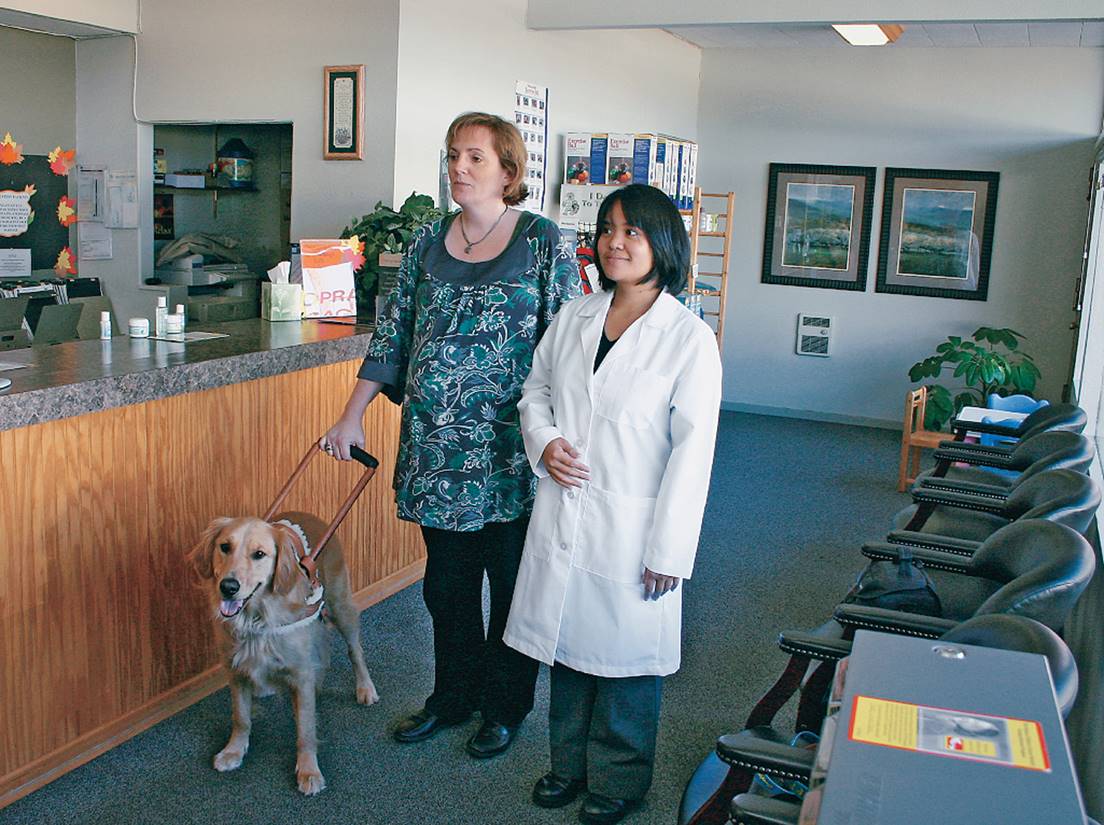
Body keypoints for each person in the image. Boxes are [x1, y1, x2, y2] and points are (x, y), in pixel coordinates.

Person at [321, 112, 579, 759]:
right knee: (447, 587)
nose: (458, 168)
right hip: (437, 453)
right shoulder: (426, 242)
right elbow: (393, 333)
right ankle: (452, 694)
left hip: (512, 455)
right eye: (452, 156)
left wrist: (567, 436)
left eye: (474, 157)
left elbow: (571, 347)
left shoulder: (545, 242)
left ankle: (504, 705)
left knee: (510, 585)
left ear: (509, 172)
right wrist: (351, 413)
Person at [504, 184, 722, 824]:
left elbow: (694, 452)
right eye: (607, 230)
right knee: (567, 646)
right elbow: (535, 391)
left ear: (663, 243)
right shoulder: (574, 315)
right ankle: (567, 766)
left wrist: (670, 549)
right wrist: (543, 443)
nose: (616, 242)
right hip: (566, 508)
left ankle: (620, 781)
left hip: (636, 524)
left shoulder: (688, 338)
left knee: (625, 663)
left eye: (632, 231)